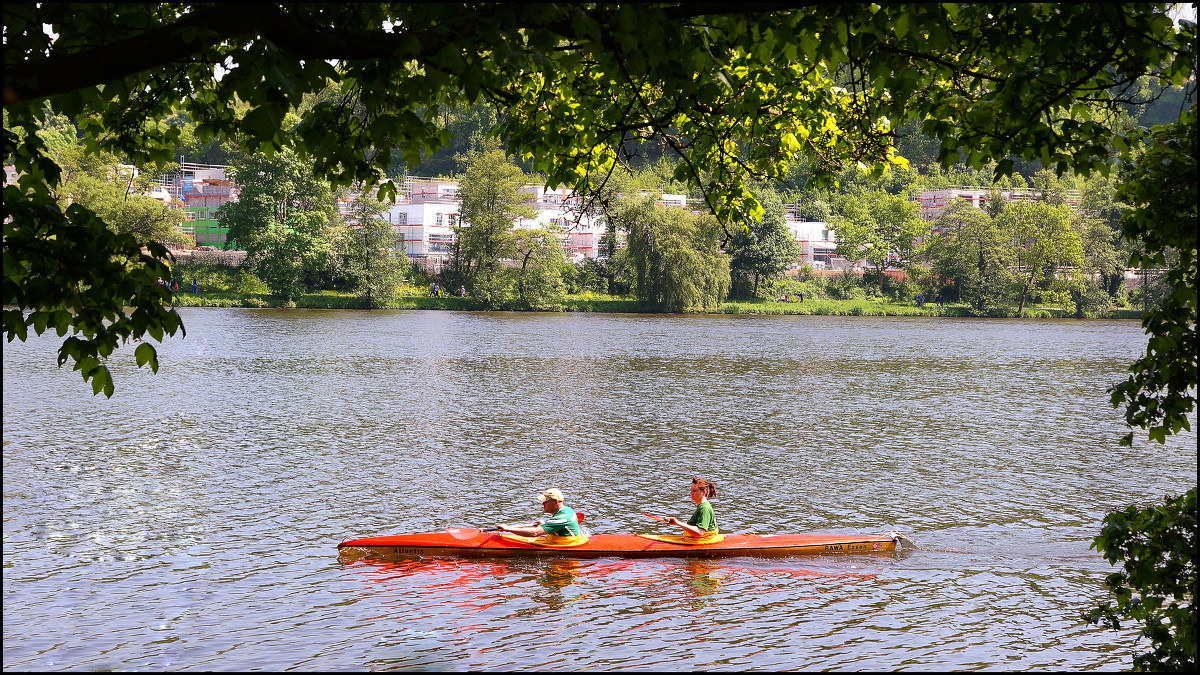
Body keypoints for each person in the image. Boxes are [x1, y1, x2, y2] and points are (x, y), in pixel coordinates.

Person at [497, 488, 581, 538]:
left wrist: (508, 529)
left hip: (567, 545)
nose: (543, 504)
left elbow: (535, 533)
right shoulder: (567, 509)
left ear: (555, 502)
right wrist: (544, 525)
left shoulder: (562, 517)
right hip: (564, 540)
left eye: (546, 501)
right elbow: (558, 525)